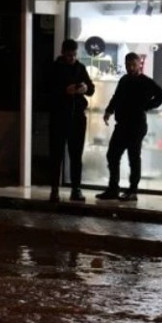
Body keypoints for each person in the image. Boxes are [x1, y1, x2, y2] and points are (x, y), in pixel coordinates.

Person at [95, 52, 162, 202]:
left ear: (139, 64)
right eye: (128, 65)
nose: (130, 68)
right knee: (112, 155)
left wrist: (147, 106)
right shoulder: (124, 80)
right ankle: (113, 188)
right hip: (122, 124)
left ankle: (133, 190)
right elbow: (116, 97)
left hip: (136, 125)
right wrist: (109, 111)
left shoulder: (145, 81)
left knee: (133, 158)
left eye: (133, 65)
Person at [48, 38, 95, 202]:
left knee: (76, 155)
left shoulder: (80, 68)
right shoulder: (54, 69)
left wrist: (85, 88)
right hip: (59, 117)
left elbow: (91, 88)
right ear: (63, 53)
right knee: (56, 155)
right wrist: (64, 91)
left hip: (77, 117)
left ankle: (76, 188)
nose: (72, 58)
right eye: (69, 55)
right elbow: (46, 91)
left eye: (74, 55)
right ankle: (54, 189)